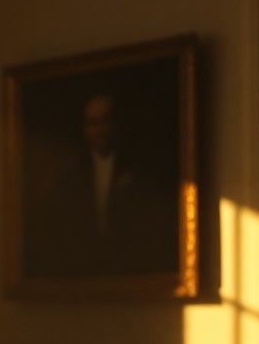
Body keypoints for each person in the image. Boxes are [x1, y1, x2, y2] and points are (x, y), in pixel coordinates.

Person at [25, 90, 179, 278]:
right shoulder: (71, 179)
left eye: (105, 121)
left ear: (116, 123)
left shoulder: (141, 170)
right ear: (85, 128)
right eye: (93, 123)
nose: (100, 130)